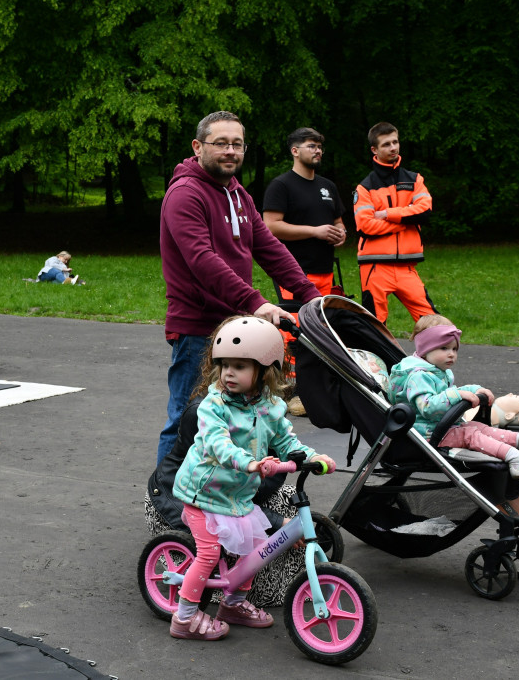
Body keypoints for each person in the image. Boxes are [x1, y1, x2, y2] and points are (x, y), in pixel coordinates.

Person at [158, 110, 322, 465]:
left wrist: (311, 296)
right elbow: (201, 259)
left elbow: (271, 250)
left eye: (237, 144)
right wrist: (256, 302)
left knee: (231, 422)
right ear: (198, 147)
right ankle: (164, 502)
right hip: (198, 329)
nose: (230, 151)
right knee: (186, 420)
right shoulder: (185, 194)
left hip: (234, 329)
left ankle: (211, 500)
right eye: (221, 144)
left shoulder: (238, 194)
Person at [169, 316, 336, 641]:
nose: (229, 373)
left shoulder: (272, 407)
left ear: (265, 371)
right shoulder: (213, 406)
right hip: (203, 494)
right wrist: (249, 463)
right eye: (225, 366)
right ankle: (184, 618)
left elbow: (288, 442)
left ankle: (232, 604)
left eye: (240, 366)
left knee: (257, 549)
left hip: (236, 497)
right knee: (209, 554)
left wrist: (312, 457)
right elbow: (218, 444)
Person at [387, 314, 519, 478]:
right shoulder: (419, 376)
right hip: (424, 434)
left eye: (454, 349)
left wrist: (475, 389)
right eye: (444, 348)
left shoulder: (435, 371)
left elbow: (447, 393)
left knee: (477, 427)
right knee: (470, 435)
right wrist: (456, 395)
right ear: (425, 349)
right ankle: (516, 458)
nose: (451, 354)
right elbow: (428, 407)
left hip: (439, 428)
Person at [353, 122, 437, 323]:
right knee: (374, 326)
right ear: (374, 149)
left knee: (432, 321)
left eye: (395, 142)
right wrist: (406, 220)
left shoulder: (414, 179)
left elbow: (425, 212)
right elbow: (366, 226)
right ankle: (377, 356)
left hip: (407, 266)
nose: (393, 148)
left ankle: (431, 355)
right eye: (386, 144)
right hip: (374, 266)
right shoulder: (365, 187)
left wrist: (388, 214)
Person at [261, 127, 347, 299]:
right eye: (312, 146)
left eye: (320, 147)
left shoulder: (328, 186)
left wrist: (341, 232)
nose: (318, 151)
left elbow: (338, 220)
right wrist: (315, 231)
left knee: (321, 325)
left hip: (326, 271)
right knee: (296, 324)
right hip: (294, 272)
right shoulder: (281, 185)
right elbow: (271, 226)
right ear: (295, 151)